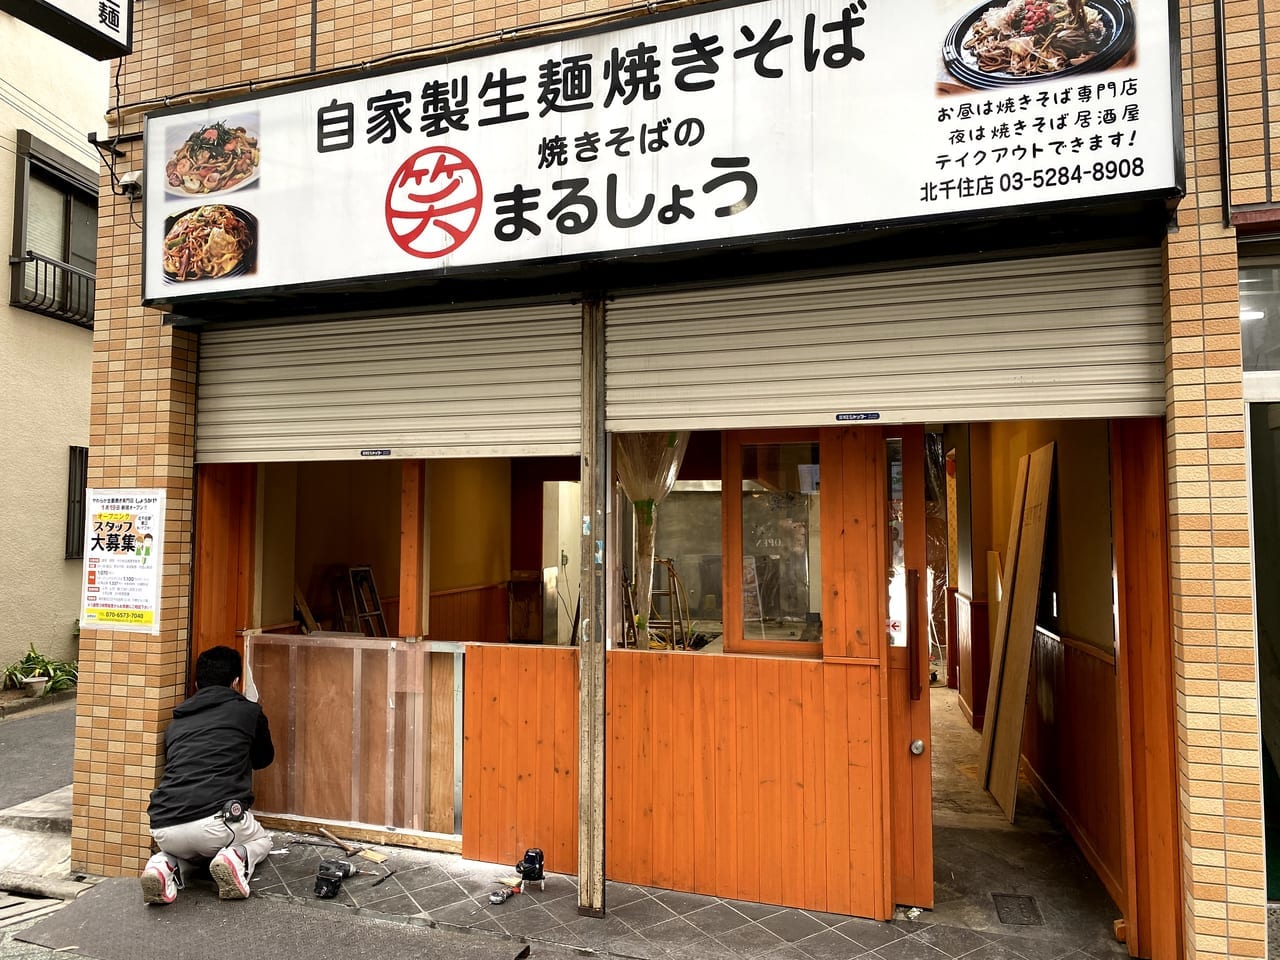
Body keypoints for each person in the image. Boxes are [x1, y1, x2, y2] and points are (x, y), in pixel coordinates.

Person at [140, 645, 274, 904]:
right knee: (261, 840)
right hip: (217, 823)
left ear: (196, 682)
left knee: (195, 854)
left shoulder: (176, 723)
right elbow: (263, 759)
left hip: (163, 827)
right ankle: (236, 859)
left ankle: (161, 864)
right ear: (236, 682)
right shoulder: (248, 712)